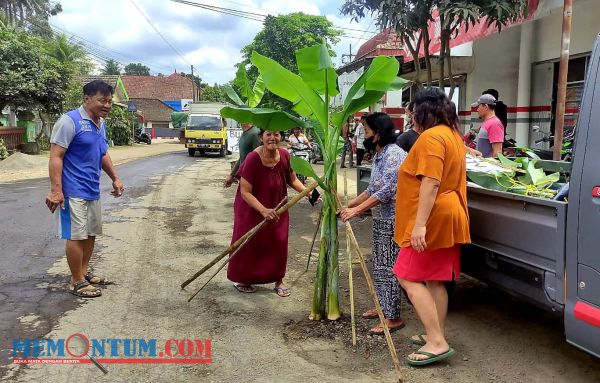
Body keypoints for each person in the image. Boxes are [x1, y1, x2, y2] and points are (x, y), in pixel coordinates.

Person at [393, 87, 470, 366]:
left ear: (423, 112)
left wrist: (419, 226)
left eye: (413, 111)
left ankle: (437, 341)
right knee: (435, 279)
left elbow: (431, 181)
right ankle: (434, 333)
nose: (411, 117)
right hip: (449, 213)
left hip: (434, 216)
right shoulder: (452, 135)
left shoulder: (432, 137)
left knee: (406, 275)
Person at [45, 80, 124, 298]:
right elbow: (56, 156)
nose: (107, 105)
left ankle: (82, 272)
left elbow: (102, 153)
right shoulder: (69, 121)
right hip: (72, 191)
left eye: (109, 101)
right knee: (76, 235)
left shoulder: (100, 123)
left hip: (92, 189)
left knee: (90, 234)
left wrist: (115, 178)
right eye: (102, 100)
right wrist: (56, 190)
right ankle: (76, 281)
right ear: (87, 99)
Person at [341, 112, 408, 335]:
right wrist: (348, 205)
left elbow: (387, 191)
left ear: (378, 134)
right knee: (379, 265)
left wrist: (357, 210)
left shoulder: (393, 155)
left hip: (394, 219)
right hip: (382, 218)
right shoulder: (380, 154)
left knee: (388, 268)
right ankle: (382, 307)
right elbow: (372, 189)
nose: (364, 136)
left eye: (367, 132)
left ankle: (393, 317)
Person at [227, 129, 310, 297]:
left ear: (281, 137)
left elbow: (292, 179)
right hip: (251, 208)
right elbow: (245, 192)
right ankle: (244, 279)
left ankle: (278, 279)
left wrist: (309, 193)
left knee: (278, 242)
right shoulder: (252, 158)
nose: (273, 138)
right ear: (261, 138)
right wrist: (263, 210)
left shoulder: (285, 155)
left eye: (276, 134)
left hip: (278, 205)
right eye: (268, 134)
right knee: (250, 242)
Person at [224, 122, 261, 188]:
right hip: (244, 176)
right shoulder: (245, 133)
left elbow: (258, 158)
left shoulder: (255, 133)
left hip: (252, 179)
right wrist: (232, 175)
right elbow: (242, 157)